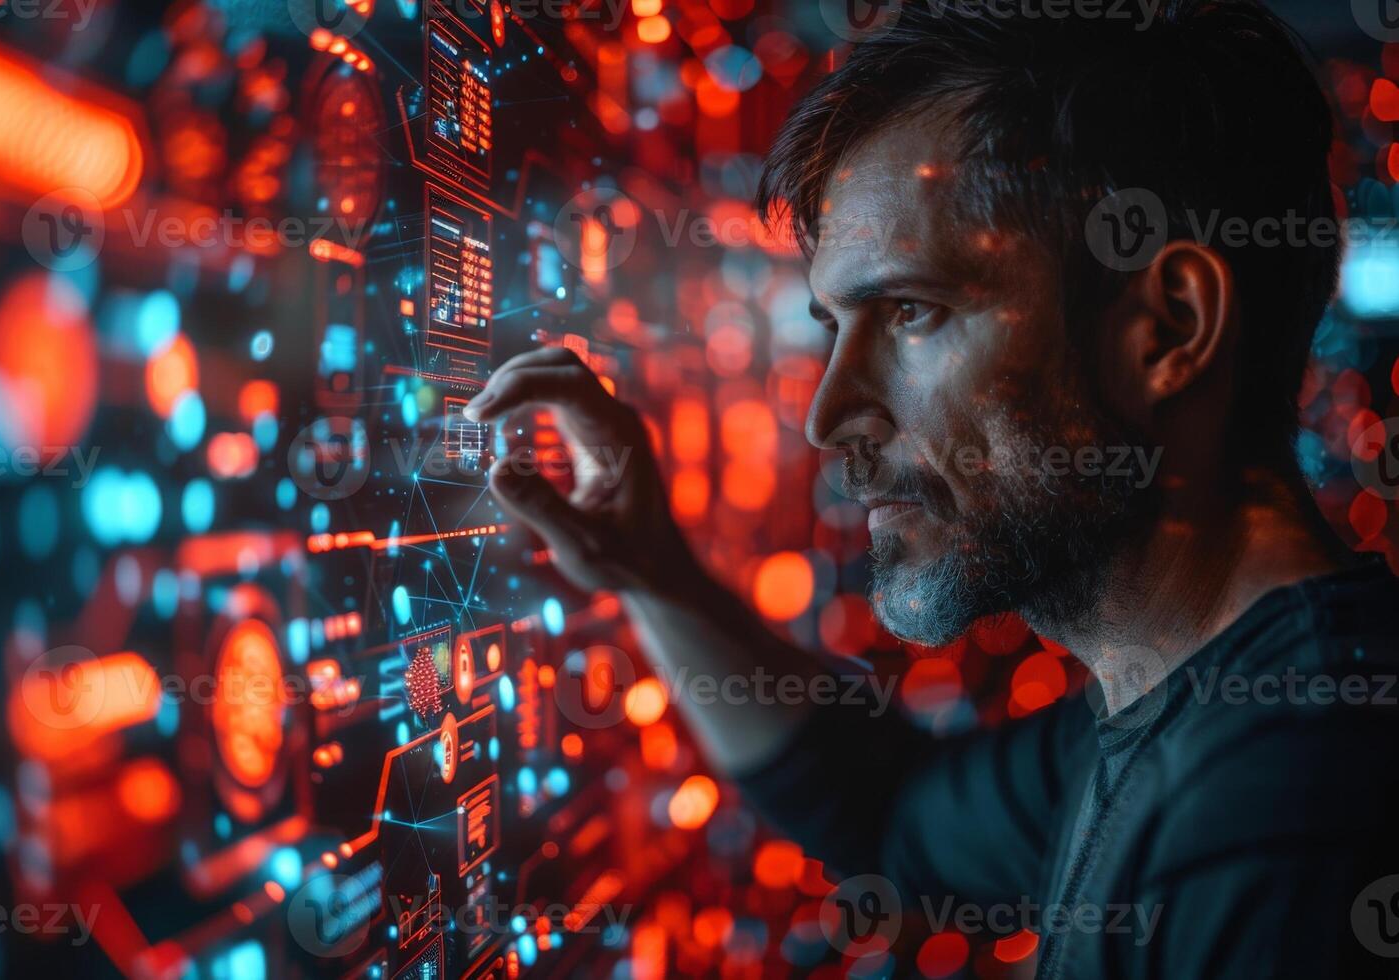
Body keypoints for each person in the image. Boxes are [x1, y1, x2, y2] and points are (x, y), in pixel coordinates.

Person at [464, 1, 1399, 975]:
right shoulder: (1180, 709)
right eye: (834, 326)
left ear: (1166, 327)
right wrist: (653, 571)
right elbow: (892, 813)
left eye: (910, 310)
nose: (830, 414)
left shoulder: (1288, 824)